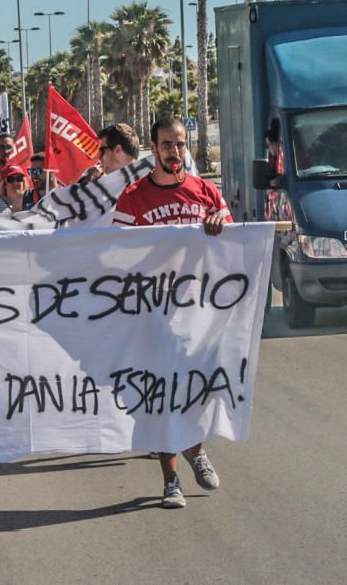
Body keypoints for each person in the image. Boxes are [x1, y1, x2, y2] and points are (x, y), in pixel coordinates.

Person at [112, 117, 230, 509]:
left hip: (200, 315)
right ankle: (171, 481)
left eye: (179, 144)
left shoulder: (206, 193)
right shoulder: (133, 198)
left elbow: (234, 248)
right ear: (153, 147)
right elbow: (115, 256)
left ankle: (196, 451)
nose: (174, 151)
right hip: (154, 314)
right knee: (162, 397)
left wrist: (220, 226)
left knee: (195, 391)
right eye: (166, 145)